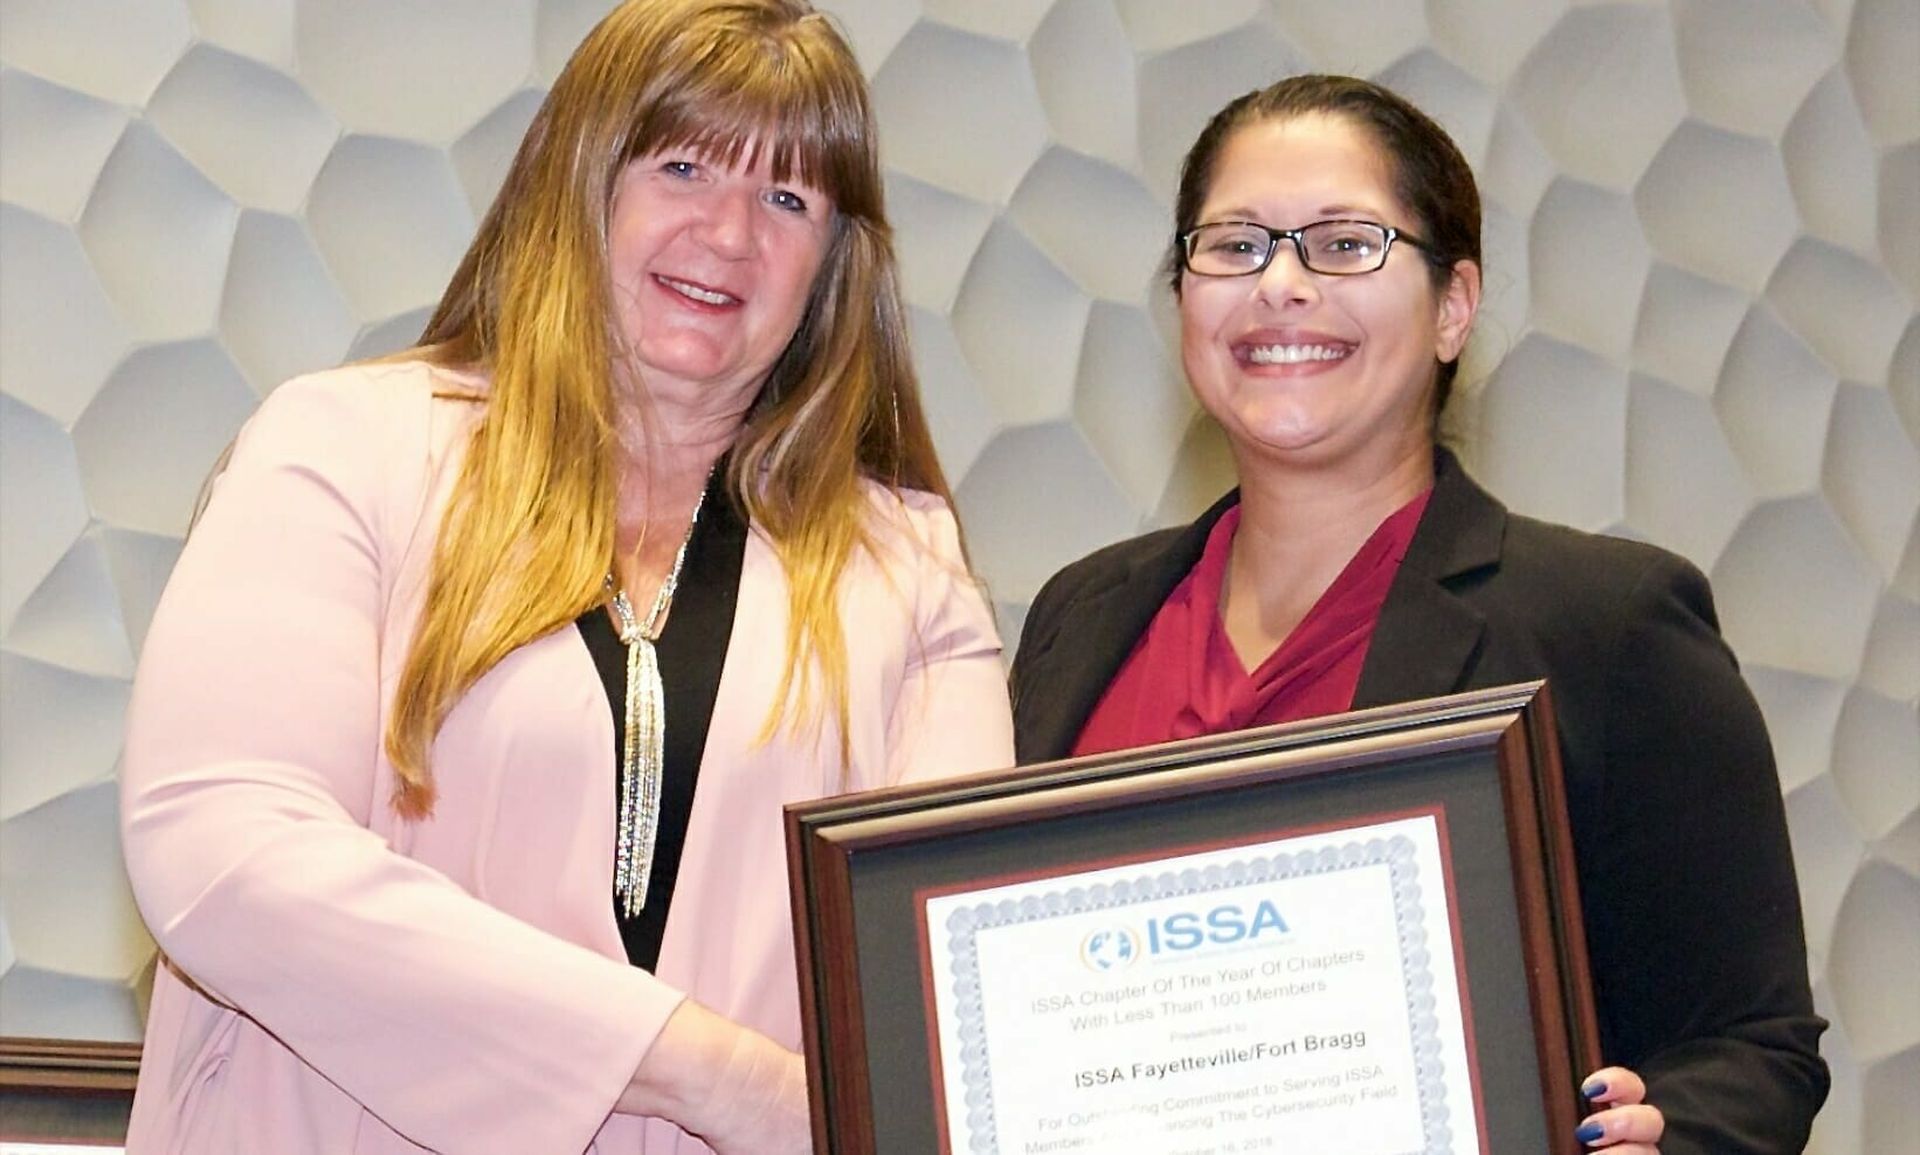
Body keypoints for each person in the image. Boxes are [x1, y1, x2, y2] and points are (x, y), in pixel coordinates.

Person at [118, 2, 1014, 1152]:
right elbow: (227, 850)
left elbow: (932, 974)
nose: (730, 234)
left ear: (836, 262)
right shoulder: (346, 447)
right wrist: (715, 1076)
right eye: (683, 166)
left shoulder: (907, 570)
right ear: (580, 182)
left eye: (788, 199)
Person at [1010, 75, 1827, 1155]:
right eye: (1235, 245)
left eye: (1345, 244)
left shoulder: (1609, 627)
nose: (1282, 286)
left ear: (1453, 306)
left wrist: (1659, 1140)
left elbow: (1756, 1045)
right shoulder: (1085, 613)